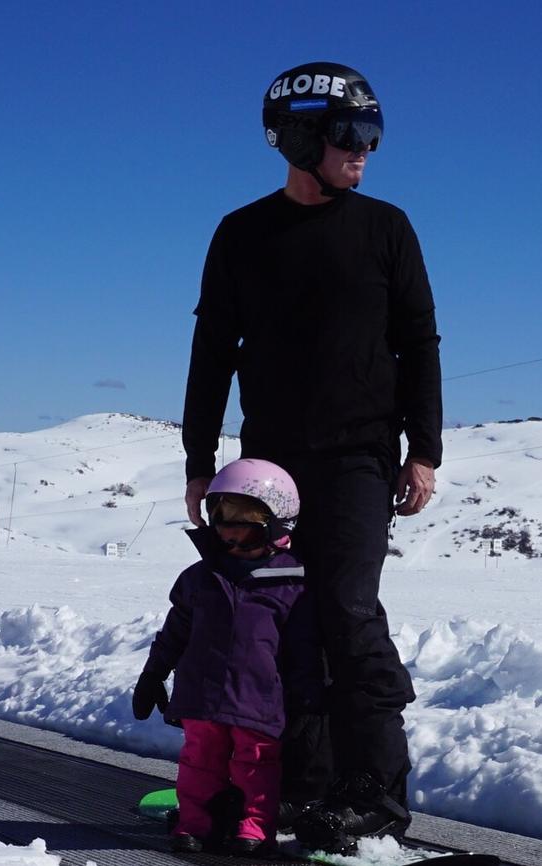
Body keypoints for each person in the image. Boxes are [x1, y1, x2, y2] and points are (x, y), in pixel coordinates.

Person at [181, 62, 442, 854]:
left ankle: (376, 792)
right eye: (350, 137)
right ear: (298, 139)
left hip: (362, 457)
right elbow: (211, 352)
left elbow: (419, 341)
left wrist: (423, 450)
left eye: (373, 137)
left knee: (347, 609)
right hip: (272, 466)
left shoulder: (386, 228)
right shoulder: (241, 234)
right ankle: (299, 780)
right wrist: (200, 458)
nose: (364, 152)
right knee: (281, 616)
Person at [132, 458, 324, 855]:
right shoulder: (199, 579)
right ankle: (193, 825)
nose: (230, 536)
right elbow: (174, 632)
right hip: (202, 696)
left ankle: (254, 829)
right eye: (222, 522)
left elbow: (302, 648)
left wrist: (307, 698)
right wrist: (153, 674)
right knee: (199, 763)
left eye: (244, 525)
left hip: (258, 700)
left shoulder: (293, 583)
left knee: (257, 766)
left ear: (276, 524)